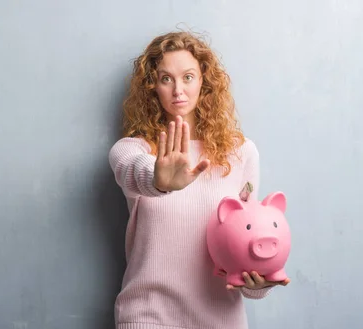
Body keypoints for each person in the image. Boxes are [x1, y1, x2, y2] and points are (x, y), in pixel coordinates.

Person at [108, 31, 290, 329]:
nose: (178, 89)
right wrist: (159, 180)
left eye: (188, 77)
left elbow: (245, 243)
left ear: (204, 80)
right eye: (166, 79)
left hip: (221, 319)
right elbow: (134, 171)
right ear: (152, 86)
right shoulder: (134, 150)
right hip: (148, 317)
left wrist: (257, 283)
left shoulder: (240, 153)